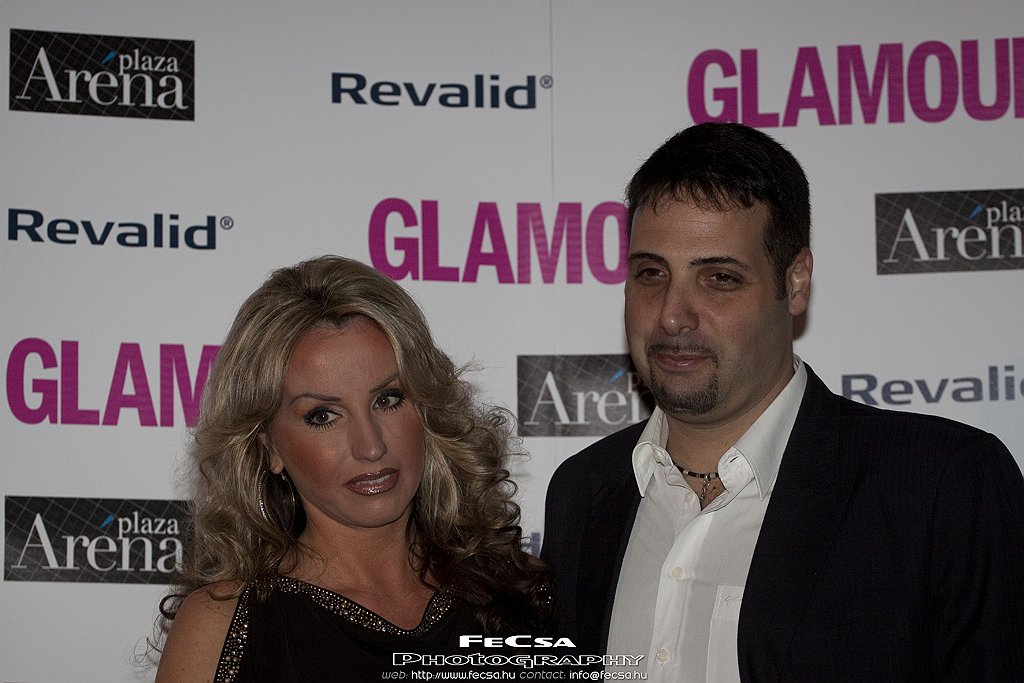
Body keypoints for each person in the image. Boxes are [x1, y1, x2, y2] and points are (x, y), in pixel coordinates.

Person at [541, 122, 1024, 682]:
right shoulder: (583, 493)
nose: (673, 315)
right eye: (651, 273)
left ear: (795, 282)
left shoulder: (942, 484)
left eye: (719, 278)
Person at [156, 255, 552, 682]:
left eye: (388, 399)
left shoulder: (522, 592)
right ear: (268, 446)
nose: (371, 446)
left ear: (427, 410)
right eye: (323, 416)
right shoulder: (221, 625)